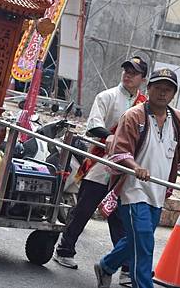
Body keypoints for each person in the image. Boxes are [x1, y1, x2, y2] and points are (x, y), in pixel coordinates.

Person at [94, 68, 180, 288]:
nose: (162, 93)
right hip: (132, 189)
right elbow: (120, 151)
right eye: (157, 88)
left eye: (167, 90)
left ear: (173, 94)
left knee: (137, 239)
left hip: (158, 190)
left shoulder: (178, 120)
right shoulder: (133, 116)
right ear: (148, 88)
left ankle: (106, 266)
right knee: (145, 243)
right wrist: (135, 166)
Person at [54, 56, 148, 285]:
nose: (128, 74)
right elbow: (94, 125)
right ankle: (64, 249)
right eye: (126, 70)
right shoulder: (107, 97)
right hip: (101, 163)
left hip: (124, 169)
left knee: (120, 217)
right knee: (85, 207)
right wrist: (112, 138)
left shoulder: (145, 105)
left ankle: (126, 266)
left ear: (142, 79)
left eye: (133, 73)